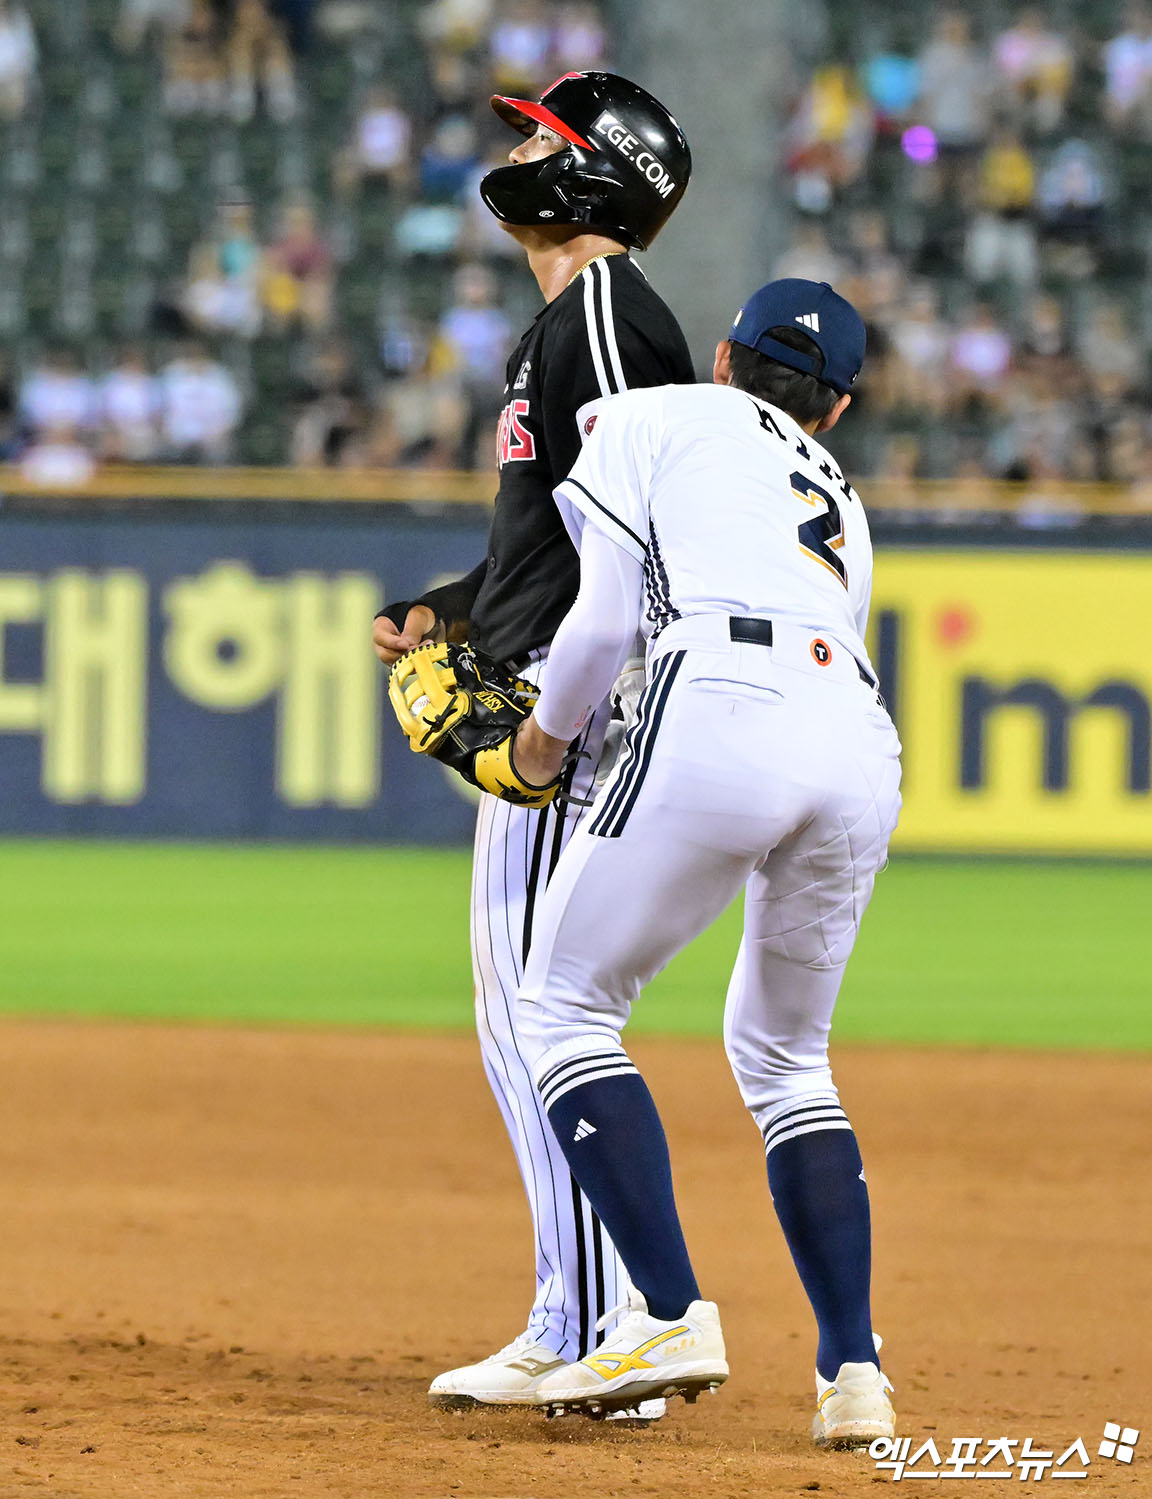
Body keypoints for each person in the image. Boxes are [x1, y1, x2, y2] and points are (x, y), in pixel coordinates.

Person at [503, 279, 902, 1448]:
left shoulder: (657, 414)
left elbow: (602, 619)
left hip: (723, 696)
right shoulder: (843, 495)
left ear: (723, 355)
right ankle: (855, 1370)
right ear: (834, 411)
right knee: (789, 1059)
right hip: (858, 735)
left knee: (564, 1007)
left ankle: (669, 1312)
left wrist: (539, 745)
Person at [372, 70, 694, 1415]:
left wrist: (578, 704)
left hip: (573, 709)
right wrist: (450, 611)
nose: (513, 152)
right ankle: (598, 1316)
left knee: (537, 1015)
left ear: (594, 174)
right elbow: (563, 537)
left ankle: (593, 1323)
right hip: (550, 679)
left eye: (538, 137)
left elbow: (653, 517)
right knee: (536, 1015)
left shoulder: (608, 312)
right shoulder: (560, 320)